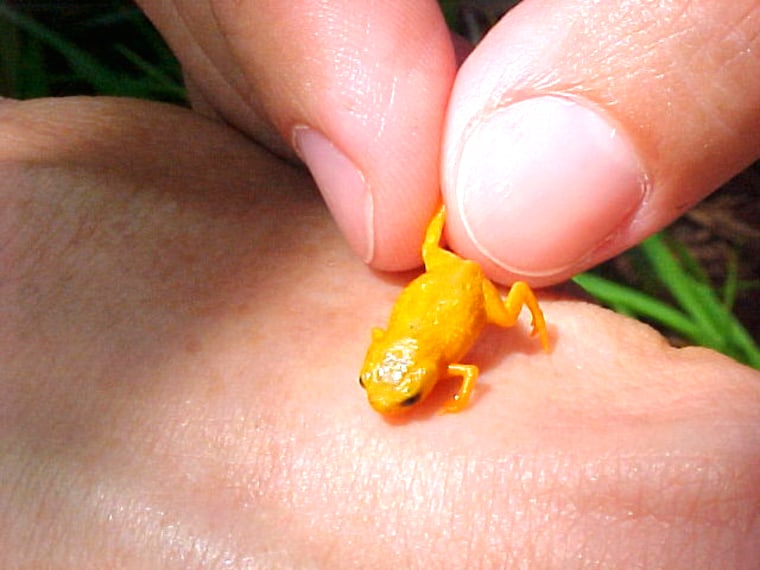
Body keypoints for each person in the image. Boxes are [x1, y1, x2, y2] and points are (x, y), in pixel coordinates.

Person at [0, 0, 758, 567]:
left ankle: (523, 306)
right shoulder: (423, 361)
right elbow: (401, 343)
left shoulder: (447, 371)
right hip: (442, 290)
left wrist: (514, 327)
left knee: (453, 248)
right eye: (384, 385)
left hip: (455, 288)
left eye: (388, 388)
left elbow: (450, 370)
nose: (384, 395)